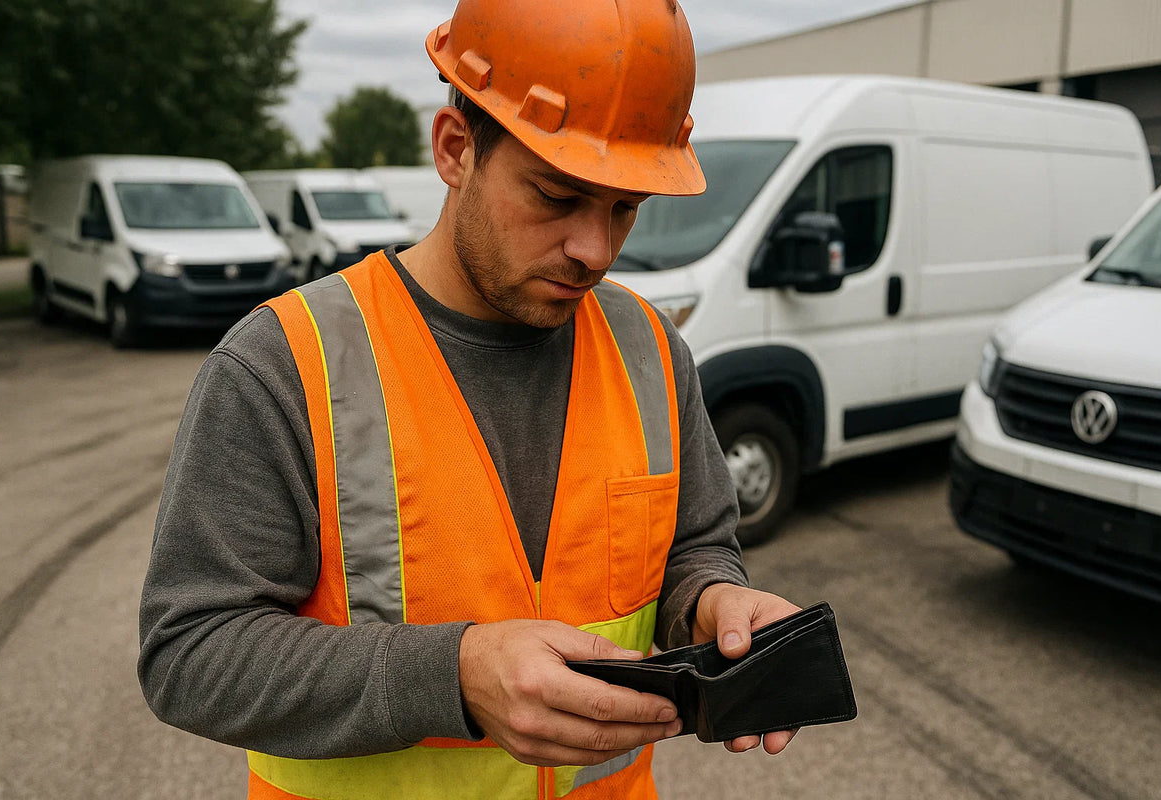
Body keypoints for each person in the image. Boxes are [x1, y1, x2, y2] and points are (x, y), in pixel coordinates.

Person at [138, 0, 802, 797]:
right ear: (456, 151)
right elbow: (190, 654)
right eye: (556, 197)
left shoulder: (651, 350)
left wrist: (714, 603)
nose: (595, 249)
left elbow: (694, 547)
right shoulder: (286, 363)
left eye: (625, 208)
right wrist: (452, 674)